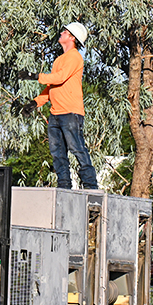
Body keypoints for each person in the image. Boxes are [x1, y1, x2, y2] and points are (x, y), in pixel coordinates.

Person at [35, 22, 99, 193]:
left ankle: (91, 187)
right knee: (58, 153)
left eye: (65, 32)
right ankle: (64, 186)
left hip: (70, 113)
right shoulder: (59, 60)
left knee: (76, 148)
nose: (61, 33)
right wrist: (35, 103)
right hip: (56, 114)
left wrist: (37, 76)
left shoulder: (74, 57)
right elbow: (52, 87)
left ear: (72, 38)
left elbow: (60, 77)